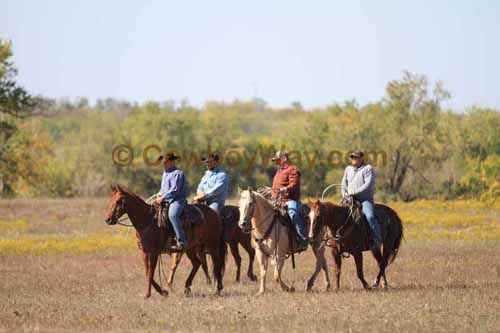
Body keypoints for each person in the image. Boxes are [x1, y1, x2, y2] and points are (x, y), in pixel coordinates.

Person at [341, 149, 381, 249]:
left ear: (361, 158)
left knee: (370, 216)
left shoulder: (368, 169)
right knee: (335, 214)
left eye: (356, 157)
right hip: (349, 199)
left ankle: (377, 239)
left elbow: (367, 185)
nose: (354, 159)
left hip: (365, 199)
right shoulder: (348, 169)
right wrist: (344, 194)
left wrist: (353, 192)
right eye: (352, 157)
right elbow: (343, 183)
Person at [271, 150, 308, 251]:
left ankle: (303, 238)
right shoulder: (279, 171)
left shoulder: (293, 169)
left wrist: (285, 188)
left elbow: (294, 184)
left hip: (290, 200)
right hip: (276, 200)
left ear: (284, 159)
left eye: (278, 160)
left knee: (293, 213)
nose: (276, 162)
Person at [154, 152, 189, 251]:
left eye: (165, 162)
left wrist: (163, 197)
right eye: (163, 162)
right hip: (165, 199)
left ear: (172, 162)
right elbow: (163, 189)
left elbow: (174, 190)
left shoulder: (178, 173)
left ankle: (181, 241)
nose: (164, 164)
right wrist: (158, 195)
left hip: (177, 200)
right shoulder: (165, 173)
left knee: (173, 215)